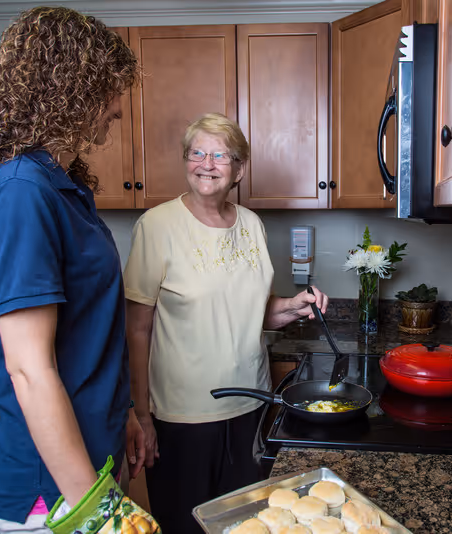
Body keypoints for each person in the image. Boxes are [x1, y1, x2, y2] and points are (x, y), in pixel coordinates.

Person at [0, 7, 155, 533]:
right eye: (109, 88)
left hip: (91, 467)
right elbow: (29, 369)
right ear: (70, 88)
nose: (117, 105)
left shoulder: (63, 188)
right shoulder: (21, 193)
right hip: (51, 499)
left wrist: (125, 415)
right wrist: (96, 512)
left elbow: (83, 337)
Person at [124, 112, 329, 533]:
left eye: (221, 155)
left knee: (246, 523)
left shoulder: (252, 225)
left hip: (252, 405)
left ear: (240, 168)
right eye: (197, 152)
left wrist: (292, 306)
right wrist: (141, 414)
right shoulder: (156, 227)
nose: (207, 163)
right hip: (182, 416)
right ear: (185, 160)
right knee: (186, 524)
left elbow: (251, 309)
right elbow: (137, 329)